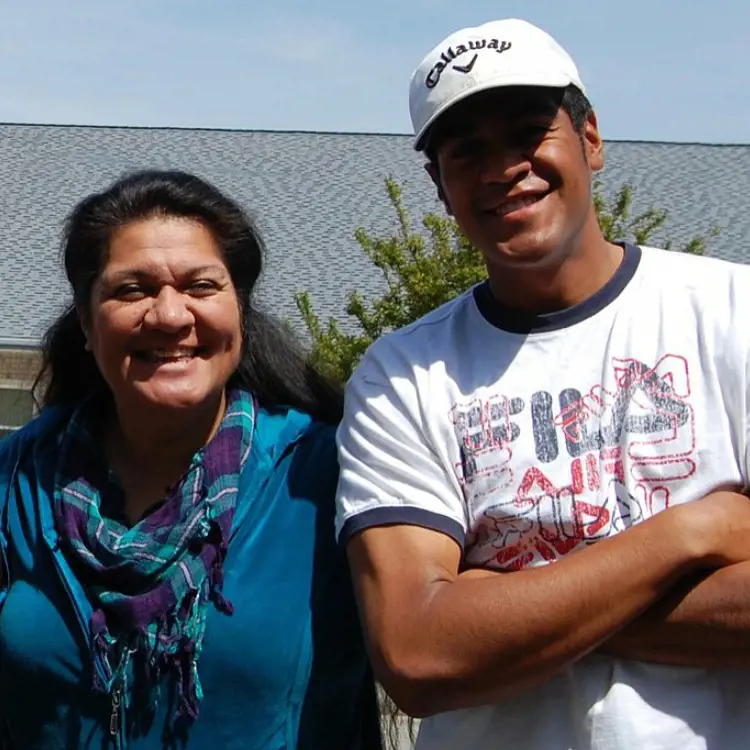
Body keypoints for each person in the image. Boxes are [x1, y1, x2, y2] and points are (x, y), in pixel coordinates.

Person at [335, 17, 750, 750]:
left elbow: (448, 637)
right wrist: (693, 533)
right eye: (467, 152)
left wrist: (496, 607)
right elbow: (417, 655)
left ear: (590, 137)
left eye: (530, 132)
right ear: (438, 184)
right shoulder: (402, 374)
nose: (503, 169)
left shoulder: (732, 313)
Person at [0, 170, 382, 749]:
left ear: (240, 311)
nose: (171, 314)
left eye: (201, 286)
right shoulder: (17, 483)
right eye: (133, 289)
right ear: (85, 320)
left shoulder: (325, 475)